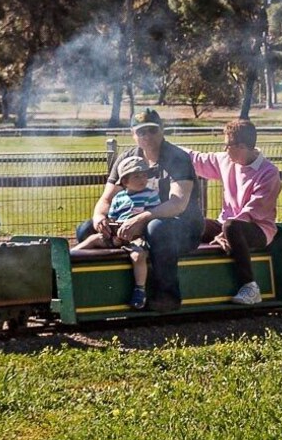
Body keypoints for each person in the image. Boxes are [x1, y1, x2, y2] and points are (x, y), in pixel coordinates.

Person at [76, 109, 204, 312]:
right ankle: (98, 294)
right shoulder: (127, 159)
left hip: (182, 227)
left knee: (156, 228)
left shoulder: (177, 158)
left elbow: (178, 204)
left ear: (162, 130)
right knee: (86, 230)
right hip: (135, 223)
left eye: (152, 131)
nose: (147, 137)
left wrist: (141, 219)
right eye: (141, 132)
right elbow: (106, 198)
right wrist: (99, 217)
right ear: (133, 134)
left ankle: (167, 296)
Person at [183, 119, 282, 305]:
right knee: (194, 223)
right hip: (227, 226)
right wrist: (165, 147)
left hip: (258, 229)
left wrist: (225, 233)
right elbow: (196, 159)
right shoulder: (225, 161)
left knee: (232, 226)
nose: (224, 149)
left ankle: (250, 287)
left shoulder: (269, 173)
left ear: (242, 146)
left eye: (227, 145)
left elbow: (254, 211)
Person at [72, 156, 161, 309]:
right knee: (94, 239)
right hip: (117, 235)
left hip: (137, 236)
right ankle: (69, 256)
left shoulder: (151, 194)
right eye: (137, 176)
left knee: (138, 255)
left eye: (144, 175)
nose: (142, 179)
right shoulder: (119, 197)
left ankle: (140, 290)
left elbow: (153, 215)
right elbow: (113, 216)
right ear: (125, 181)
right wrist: (109, 228)